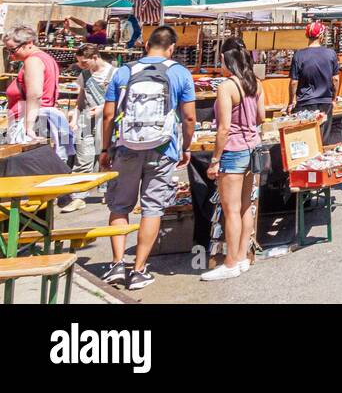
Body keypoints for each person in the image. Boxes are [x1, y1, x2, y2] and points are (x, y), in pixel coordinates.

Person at [99, 25, 197, 290]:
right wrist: (186, 146)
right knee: (152, 208)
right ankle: (139, 268)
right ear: (172, 48)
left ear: (146, 45)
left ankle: (117, 264)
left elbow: (108, 115)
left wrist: (105, 148)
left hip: (126, 147)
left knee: (119, 206)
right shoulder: (179, 73)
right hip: (164, 148)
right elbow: (189, 117)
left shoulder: (123, 71)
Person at [200, 39, 264, 281]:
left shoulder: (227, 87)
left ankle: (230, 261)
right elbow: (261, 117)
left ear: (226, 60)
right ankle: (243, 257)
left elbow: (223, 128)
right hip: (252, 148)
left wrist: (215, 159)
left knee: (231, 210)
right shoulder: (255, 84)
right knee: (246, 206)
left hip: (233, 150)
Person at [4, 26, 65, 148]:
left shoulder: (33, 61)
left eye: (13, 50)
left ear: (29, 43)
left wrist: (29, 127)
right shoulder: (46, 59)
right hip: (36, 120)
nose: (11, 55)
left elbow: (35, 94)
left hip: (29, 122)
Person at [287, 21, 339, 139]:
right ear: (321, 36)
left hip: (305, 102)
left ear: (307, 35)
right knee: (322, 138)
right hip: (325, 102)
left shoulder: (299, 55)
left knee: (306, 139)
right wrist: (334, 98)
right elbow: (335, 80)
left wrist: (291, 101)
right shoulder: (331, 54)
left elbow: (294, 82)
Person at [72, 44, 115, 178]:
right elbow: (81, 100)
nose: (80, 65)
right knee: (83, 159)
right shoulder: (84, 75)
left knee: (108, 159)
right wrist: (74, 119)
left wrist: (102, 108)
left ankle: (107, 194)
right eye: (78, 61)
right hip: (87, 121)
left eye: (83, 62)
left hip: (108, 122)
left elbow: (122, 100)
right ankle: (78, 196)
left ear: (95, 57)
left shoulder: (115, 73)